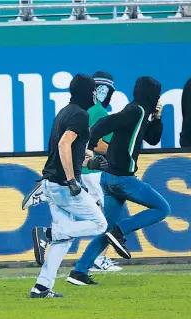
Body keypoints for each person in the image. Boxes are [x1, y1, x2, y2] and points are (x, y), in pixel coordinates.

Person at [65, 76, 171, 286]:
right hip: (122, 179)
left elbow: (152, 139)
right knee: (162, 208)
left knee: (107, 228)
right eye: (157, 94)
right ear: (151, 95)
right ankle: (120, 232)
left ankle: (79, 272)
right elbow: (104, 123)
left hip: (109, 178)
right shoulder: (136, 111)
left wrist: (157, 119)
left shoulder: (139, 113)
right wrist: (91, 144)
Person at [22, 71, 122, 272]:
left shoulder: (65, 111)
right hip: (63, 184)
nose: (95, 95)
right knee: (100, 224)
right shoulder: (81, 114)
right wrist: (71, 180)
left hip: (53, 181)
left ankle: (42, 286)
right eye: (93, 91)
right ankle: (47, 234)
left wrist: (91, 162)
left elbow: (72, 148)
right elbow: (64, 144)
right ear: (89, 92)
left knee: (64, 241)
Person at [80, 72, 122, 272]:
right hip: (96, 169)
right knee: (108, 216)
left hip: (84, 170)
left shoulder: (81, 110)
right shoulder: (99, 113)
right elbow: (99, 145)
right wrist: (120, 153)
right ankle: (98, 258)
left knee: (96, 216)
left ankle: (96, 257)